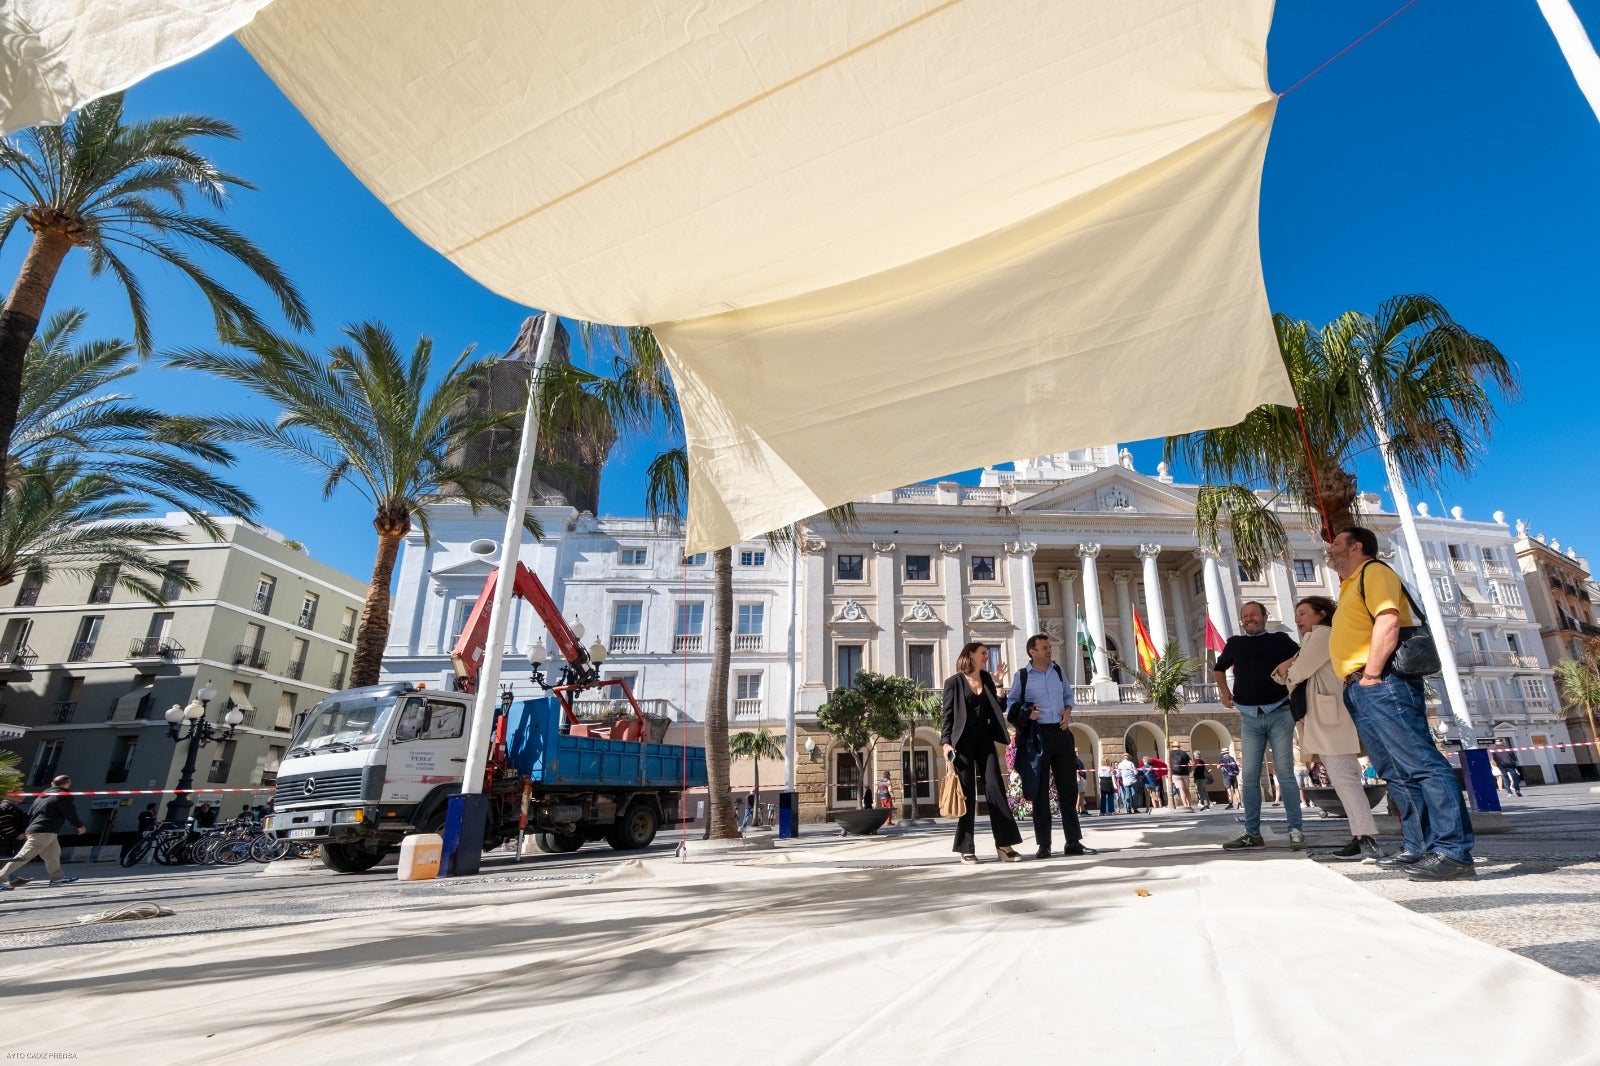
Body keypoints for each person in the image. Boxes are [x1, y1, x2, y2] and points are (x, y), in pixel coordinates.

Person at [1328, 526, 1475, 881]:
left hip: (1382, 681)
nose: (1329, 549)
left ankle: (1454, 853)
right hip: (1360, 686)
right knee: (1394, 770)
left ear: (1356, 547)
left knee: (1421, 763)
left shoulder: (1374, 571)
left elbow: (1388, 620)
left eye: (1335, 544)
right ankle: (1419, 845)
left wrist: (1372, 673)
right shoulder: (1349, 584)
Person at [1271, 594, 1385, 863]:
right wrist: (1287, 669)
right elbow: (1284, 675)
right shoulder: (1311, 640)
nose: (1297, 619)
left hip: (1330, 718)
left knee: (1346, 780)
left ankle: (1367, 840)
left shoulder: (1322, 635)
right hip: (1325, 717)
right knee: (1344, 780)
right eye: (1296, 615)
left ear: (1321, 614)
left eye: (1303, 613)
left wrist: (1288, 668)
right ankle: (1361, 837)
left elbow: (1294, 674)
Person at [1216, 601, 1306, 851]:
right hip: (1249, 716)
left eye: (1254, 614)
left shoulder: (1280, 639)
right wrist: (1224, 692)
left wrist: (1290, 664)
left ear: (1265, 617)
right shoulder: (1235, 643)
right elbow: (1218, 668)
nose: (1249, 619)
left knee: (1285, 773)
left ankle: (1296, 830)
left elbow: (1304, 654)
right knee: (1249, 777)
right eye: (1245, 616)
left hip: (1280, 713)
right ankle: (1252, 834)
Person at [1006, 633, 1091, 858]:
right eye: (1044, 647)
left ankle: (1073, 841)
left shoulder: (1058, 671)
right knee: (1040, 792)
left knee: (1068, 790)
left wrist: (1068, 711)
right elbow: (1011, 704)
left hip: (1061, 733)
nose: (1049, 650)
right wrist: (1028, 713)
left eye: (1049, 647)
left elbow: (1068, 696)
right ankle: (1044, 845)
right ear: (1032, 651)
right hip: (1037, 737)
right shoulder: (1023, 676)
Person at [941, 642, 1024, 864]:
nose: (987, 656)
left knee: (996, 789)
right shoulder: (954, 682)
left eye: (987, 653)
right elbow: (947, 716)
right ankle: (966, 848)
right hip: (962, 744)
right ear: (970, 654)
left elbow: (1000, 706)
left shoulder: (987, 679)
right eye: (983, 653)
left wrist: (999, 683)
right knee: (966, 794)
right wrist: (945, 743)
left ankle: (1004, 845)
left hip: (985, 741)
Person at [0, 775, 85, 889]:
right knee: (24, 856)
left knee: (53, 854)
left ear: (52, 783)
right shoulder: (62, 795)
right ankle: (1, 878)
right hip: (44, 830)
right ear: (67, 784)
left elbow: (31, 813)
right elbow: (70, 811)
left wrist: (28, 829)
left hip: (43, 830)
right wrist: (79, 825)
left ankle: (57, 878)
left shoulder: (42, 796)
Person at [0, 794, 27, 860]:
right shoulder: (7, 807)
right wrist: (17, 834)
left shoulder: (9, 806)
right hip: (4, 842)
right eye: (19, 793)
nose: (23, 796)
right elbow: (5, 824)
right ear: (9, 795)